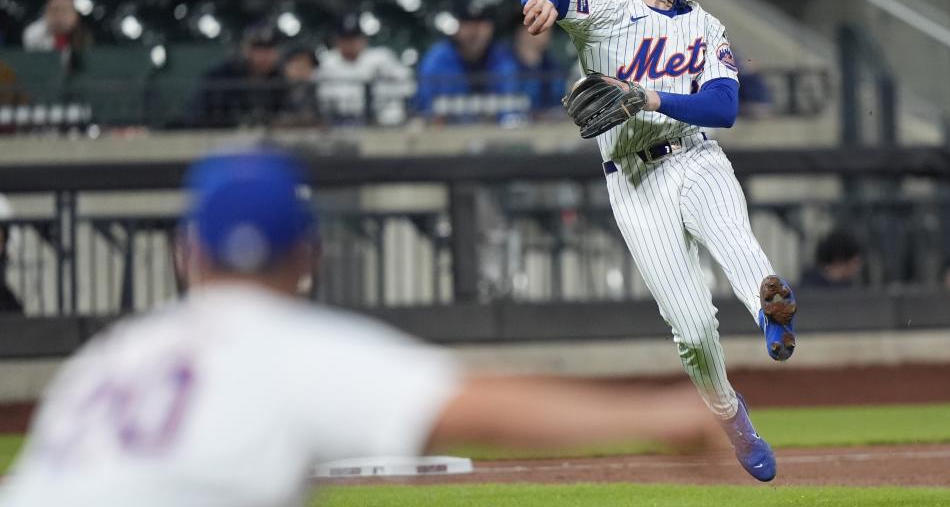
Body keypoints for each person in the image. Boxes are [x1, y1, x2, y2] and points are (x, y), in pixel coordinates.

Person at [0, 146, 724, 505]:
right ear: (308, 255)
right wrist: (660, 414)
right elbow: (474, 405)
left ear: (186, 254)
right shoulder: (285, 347)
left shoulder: (113, 354)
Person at [520, 0, 799, 483]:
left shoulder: (707, 28)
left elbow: (722, 109)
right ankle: (732, 420)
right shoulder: (604, 13)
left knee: (732, 236)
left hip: (693, 154)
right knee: (693, 328)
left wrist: (646, 96)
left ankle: (770, 306)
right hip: (632, 181)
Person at [417, 2, 522, 119]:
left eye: (480, 24)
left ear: (490, 28)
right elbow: (426, 108)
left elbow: (513, 106)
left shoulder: (502, 57)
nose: (475, 32)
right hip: (449, 133)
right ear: (457, 28)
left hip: (495, 133)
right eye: (468, 24)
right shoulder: (438, 59)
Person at [315, 13, 414, 124]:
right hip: (340, 120)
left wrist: (384, 90)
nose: (350, 43)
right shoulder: (328, 62)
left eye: (353, 38)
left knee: (393, 113)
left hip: (380, 118)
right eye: (345, 39)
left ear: (363, 39)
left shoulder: (381, 57)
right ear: (337, 41)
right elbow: (322, 97)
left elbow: (408, 84)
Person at [194, 23, 283, 127]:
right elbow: (199, 116)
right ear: (245, 49)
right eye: (257, 49)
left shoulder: (281, 78)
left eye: (269, 49)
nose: (263, 56)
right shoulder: (222, 75)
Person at [512, 21, 568, 114]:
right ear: (522, 32)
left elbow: (559, 102)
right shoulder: (504, 64)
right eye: (541, 25)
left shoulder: (552, 66)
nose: (547, 31)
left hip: (547, 124)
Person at [21, 0, 93, 54]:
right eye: (56, 10)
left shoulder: (83, 34)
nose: (60, 15)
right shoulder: (34, 32)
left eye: (65, 11)